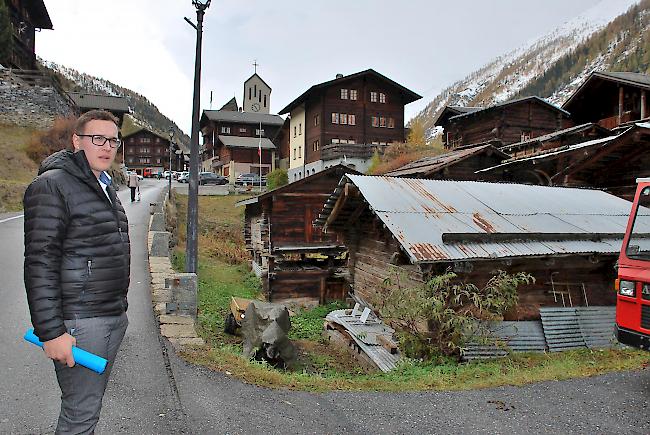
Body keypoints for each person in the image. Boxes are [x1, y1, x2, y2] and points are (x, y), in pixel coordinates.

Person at [23, 110, 130, 434]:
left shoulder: (103, 186)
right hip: (81, 321)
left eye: (112, 140)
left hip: (110, 315)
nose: (106, 146)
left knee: (88, 407)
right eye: (97, 138)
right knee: (80, 413)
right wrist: (51, 332)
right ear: (77, 141)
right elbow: (40, 261)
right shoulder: (52, 186)